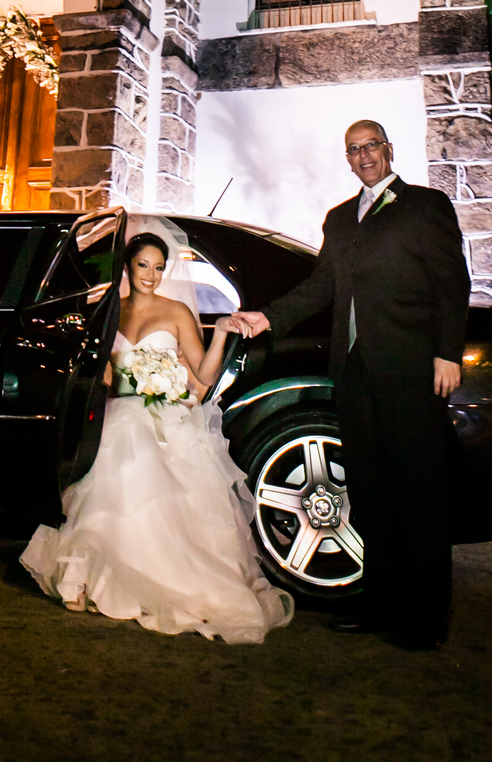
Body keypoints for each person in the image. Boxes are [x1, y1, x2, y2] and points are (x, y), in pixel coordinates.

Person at [229, 119, 471, 651]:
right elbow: (320, 287)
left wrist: (446, 353)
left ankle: (424, 619)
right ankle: (379, 604)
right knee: (371, 496)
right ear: (347, 158)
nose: (363, 157)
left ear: (388, 149)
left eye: (371, 147)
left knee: (419, 496)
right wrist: (265, 318)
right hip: (355, 372)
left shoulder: (426, 206)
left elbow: (452, 284)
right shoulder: (339, 219)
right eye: (353, 151)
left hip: (411, 369)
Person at [20, 217, 294, 643]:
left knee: (131, 437)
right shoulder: (112, 310)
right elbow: (104, 375)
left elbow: (202, 373)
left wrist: (220, 331)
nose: (151, 275)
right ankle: (95, 575)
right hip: (120, 412)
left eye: (158, 267)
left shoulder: (177, 311)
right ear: (127, 266)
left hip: (165, 417)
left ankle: (160, 576)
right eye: (143, 265)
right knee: (118, 431)